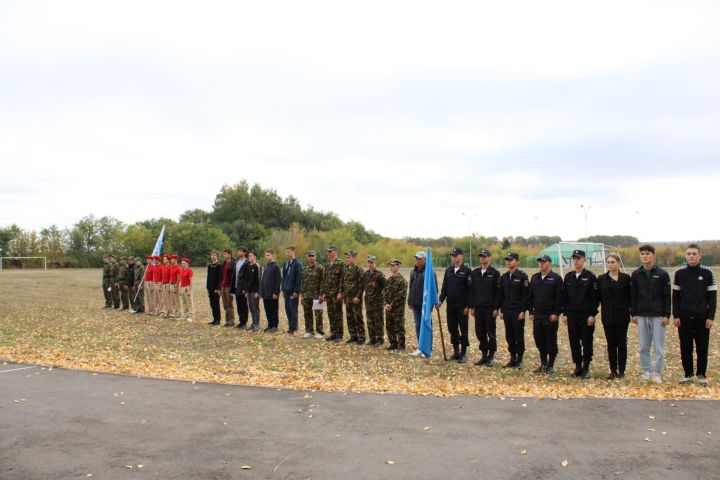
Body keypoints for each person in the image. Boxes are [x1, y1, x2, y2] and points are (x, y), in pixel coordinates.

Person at [673, 243, 717, 385]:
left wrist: (711, 317)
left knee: (702, 348)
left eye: (694, 253)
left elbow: (712, 297)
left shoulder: (708, 273)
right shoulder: (679, 273)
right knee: (685, 347)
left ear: (700, 255)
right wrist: (676, 315)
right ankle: (688, 374)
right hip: (684, 318)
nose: (691, 256)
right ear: (686, 255)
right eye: (689, 254)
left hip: (702, 318)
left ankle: (701, 375)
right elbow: (675, 296)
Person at [630, 244, 671, 383]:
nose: (645, 256)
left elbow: (666, 296)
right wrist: (633, 313)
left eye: (648, 253)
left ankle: (657, 373)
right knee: (643, 346)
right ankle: (646, 371)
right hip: (641, 315)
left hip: (658, 315)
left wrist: (667, 315)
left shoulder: (662, 274)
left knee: (658, 347)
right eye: (642, 254)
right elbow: (633, 295)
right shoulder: (636, 274)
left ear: (653, 255)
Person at [562, 249, 599, 379]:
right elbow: (564, 297)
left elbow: (595, 298)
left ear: (584, 260)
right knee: (574, 341)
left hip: (585, 315)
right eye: (574, 258)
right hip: (572, 315)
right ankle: (578, 366)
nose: (576, 261)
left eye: (578, 258)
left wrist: (592, 315)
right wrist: (565, 314)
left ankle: (586, 367)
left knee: (587, 341)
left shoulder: (590, 277)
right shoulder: (568, 277)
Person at [597, 253, 631, 379]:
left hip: (622, 316)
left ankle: (621, 370)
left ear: (618, 263)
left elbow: (630, 297)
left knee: (621, 344)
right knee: (611, 344)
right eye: (608, 262)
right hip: (607, 316)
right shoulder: (601, 279)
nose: (610, 264)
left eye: (613, 262)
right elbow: (598, 297)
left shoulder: (626, 278)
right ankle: (613, 370)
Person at [527, 254, 563, 374]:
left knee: (550, 340)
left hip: (550, 316)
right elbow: (530, 297)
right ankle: (543, 364)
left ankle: (551, 365)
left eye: (544, 261)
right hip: (538, 315)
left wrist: (556, 313)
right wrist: (531, 312)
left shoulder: (556, 278)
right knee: (539, 339)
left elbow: (560, 298)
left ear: (550, 263)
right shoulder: (535, 278)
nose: (541, 264)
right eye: (540, 262)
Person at [438, 247, 472, 363]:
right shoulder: (449, 270)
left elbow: (470, 290)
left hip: (462, 306)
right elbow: (445, 288)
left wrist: (468, 306)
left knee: (463, 329)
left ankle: (463, 353)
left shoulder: (467, 271)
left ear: (461, 256)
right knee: (452, 328)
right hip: (451, 304)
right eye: (452, 255)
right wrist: (440, 301)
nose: (454, 257)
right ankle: (456, 351)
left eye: (456, 255)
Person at [498, 253, 529, 369]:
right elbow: (501, 295)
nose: (508, 262)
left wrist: (523, 311)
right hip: (507, 310)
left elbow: (525, 296)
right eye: (507, 260)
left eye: (511, 260)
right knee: (509, 335)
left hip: (517, 311)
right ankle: (512, 358)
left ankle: (519, 359)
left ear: (517, 262)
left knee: (518, 335)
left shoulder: (522, 276)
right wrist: (501, 310)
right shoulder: (504, 277)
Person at [469, 249, 500, 366]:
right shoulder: (475, 273)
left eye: (485, 256)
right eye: (481, 256)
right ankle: (484, 355)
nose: (482, 258)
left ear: (489, 258)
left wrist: (496, 308)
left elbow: (498, 293)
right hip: (478, 308)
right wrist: (472, 307)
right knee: (479, 332)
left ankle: (491, 356)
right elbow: (471, 291)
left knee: (491, 332)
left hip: (490, 308)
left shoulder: (495, 273)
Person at [408, 251, 437, 357]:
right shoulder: (413, 272)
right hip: (415, 303)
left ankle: (428, 348)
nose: (417, 261)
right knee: (418, 325)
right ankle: (420, 348)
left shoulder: (430, 272)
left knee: (426, 325)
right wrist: (410, 301)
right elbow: (411, 287)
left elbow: (434, 289)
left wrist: (431, 304)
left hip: (425, 304)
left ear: (425, 260)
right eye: (416, 259)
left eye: (420, 259)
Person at [320, 245, 344, 342]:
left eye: (330, 252)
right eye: (328, 252)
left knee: (338, 314)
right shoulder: (327, 265)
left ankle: (339, 334)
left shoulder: (340, 263)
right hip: (328, 294)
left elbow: (342, 279)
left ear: (335, 252)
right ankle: (333, 333)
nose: (328, 253)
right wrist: (323, 293)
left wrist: (341, 292)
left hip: (336, 294)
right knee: (331, 314)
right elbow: (324, 280)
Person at [383, 259, 408, 351]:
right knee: (389, 326)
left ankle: (401, 346)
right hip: (388, 308)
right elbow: (384, 292)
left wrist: (391, 305)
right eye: (390, 265)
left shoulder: (402, 281)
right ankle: (393, 344)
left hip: (397, 309)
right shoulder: (389, 280)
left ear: (398, 266)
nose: (391, 267)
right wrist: (386, 304)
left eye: (393, 265)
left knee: (399, 327)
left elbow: (401, 296)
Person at [342, 250, 365, 344]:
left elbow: (361, 285)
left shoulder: (358, 269)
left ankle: (362, 337)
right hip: (347, 298)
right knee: (349, 317)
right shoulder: (346, 269)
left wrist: (358, 296)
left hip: (355, 299)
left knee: (358, 317)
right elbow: (343, 283)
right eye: (346, 257)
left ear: (354, 258)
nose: (347, 259)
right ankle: (353, 336)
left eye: (349, 257)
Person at [300, 250, 324, 339]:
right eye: (309, 256)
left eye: (313, 256)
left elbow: (323, 282)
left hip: (317, 295)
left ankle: (319, 332)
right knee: (307, 313)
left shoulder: (320, 268)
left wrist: (322, 294)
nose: (311, 257)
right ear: (307, 257)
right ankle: (309, 331)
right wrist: (302, 295)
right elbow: (303, 282)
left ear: (315, 257)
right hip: (306, 295)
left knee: (318, 314)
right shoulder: (305, 268)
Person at [363, 255, 386, 347]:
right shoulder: (365, 274)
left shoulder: (380, 275)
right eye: (368, 262)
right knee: (370, 321)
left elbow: (386, 288)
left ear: (375, 263)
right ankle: (372, 338)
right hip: (368, 302)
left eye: (371, 262)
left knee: (378, 321)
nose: (370, 264)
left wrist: (383, 299)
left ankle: (380, 339)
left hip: (377, 302)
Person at [281, 246, 303, 335]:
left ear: (293, 252)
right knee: (287, 309)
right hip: (286, 290)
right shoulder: (286, 263)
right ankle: (290, 327)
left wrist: (296, 291)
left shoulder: (297, 264)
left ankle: (294, 327)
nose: (287, 254)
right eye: (286, 252)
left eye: (289, 252)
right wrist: (282, 288)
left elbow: (299, 278)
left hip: (293, 291)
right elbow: (284, 277)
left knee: (293, 309)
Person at [259, 249, 281, 332]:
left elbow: (278, 280)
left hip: (273, 293)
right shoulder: (266, 265)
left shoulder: (276, 266)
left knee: (273, 310)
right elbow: (263, 279)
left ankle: (274, 326)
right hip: (266, 293)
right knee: (267, 309)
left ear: (272, 255)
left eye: (268, 255)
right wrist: (261, 291)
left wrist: (276, 292)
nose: (267, 256)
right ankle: (270, 324)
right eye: (266, 255)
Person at [243, 251, 262, 330]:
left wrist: (258, 292)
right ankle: (253, 323)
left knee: (255, 308)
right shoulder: (248, 266)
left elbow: (259, 280)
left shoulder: (257, 266)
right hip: (249, 291)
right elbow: (246, 279)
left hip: (255, 291)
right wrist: (246, 290)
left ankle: (257, 324)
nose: (249, 257)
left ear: (255, 257)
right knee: (251, 308)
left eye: (250, 256)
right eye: (248, 256)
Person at [234, 247, 250, 329]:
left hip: (243, 287)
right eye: (238, 251)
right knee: (239, 305)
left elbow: (247, 277)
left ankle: (244, 322)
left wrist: (245, 288)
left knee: (243, 305)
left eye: (240, 251)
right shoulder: (237, 262)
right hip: (237, 286)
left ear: (244, 253)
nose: (238, 252)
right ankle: (241, 321)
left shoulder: (247, 262)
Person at [219, 249, 236, 327]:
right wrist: (220, 287)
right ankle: (227, 320)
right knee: (225, 305)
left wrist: (233, 287)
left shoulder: (233, 264)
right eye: (223, 254)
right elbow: (221, 276)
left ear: (230, 255)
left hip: (229, 286)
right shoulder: (224, 264)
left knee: (230, 304)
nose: (224, 255)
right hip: (223, 286)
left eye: (225, 254)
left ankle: (232, 321)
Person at [206, 250, 223, 325]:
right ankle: (214, 319)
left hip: (216, 288)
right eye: (212, 255)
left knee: (216, 304)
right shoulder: (210, 266)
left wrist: (218, 288)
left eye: (214, 255)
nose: (213, 256)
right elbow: (208, 277)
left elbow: (219, 278)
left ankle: (218, 320)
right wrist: (207, 287)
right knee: (212, 304)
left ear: (217, 256)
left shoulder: (219, 265)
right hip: (210, 287)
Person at [160, 254, 172, 318]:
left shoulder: (170, 267)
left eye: (165, 259)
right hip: (164, 284)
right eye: (163, 259)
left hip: (167, 284)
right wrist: (161, 285)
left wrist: (169, 286)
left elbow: (170, 277)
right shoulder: (163, 267)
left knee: (168, 299)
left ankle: (170, 312)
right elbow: (162, 277)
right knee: (164, 299)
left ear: (168, 260)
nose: (163, 260)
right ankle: (166, 312)